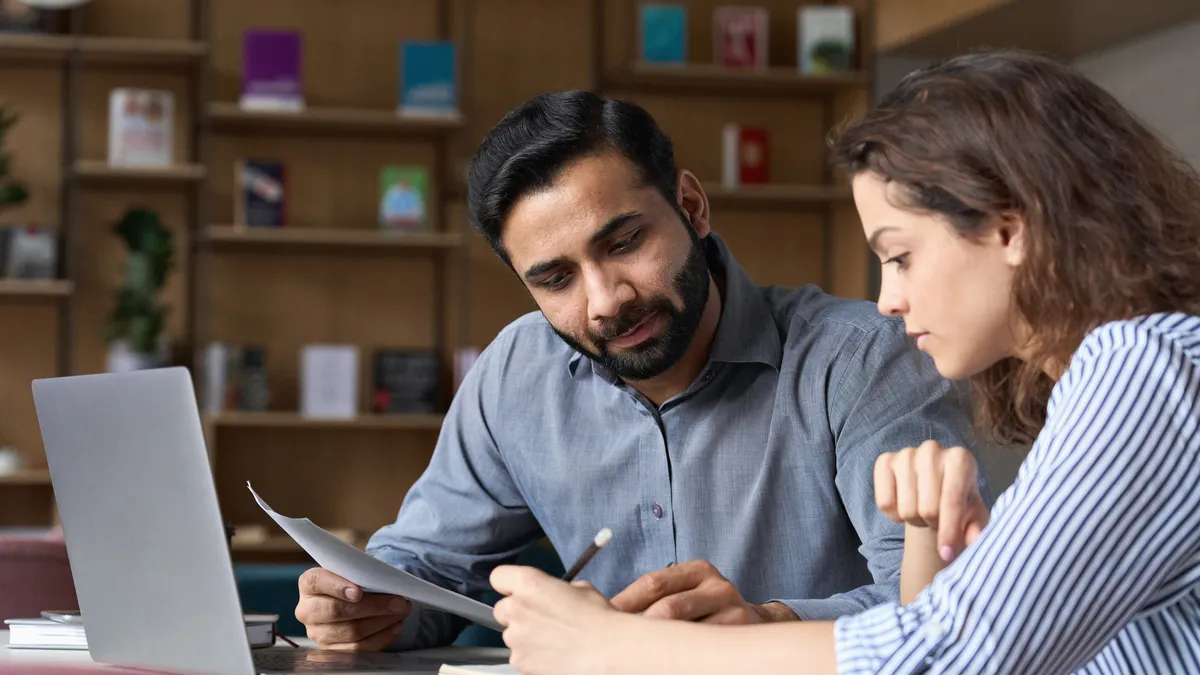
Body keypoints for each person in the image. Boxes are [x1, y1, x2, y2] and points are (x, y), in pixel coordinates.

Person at [487, 49, 1200, 674]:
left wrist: (615, 646)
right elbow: (946, 638)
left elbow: (950, 653)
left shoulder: (1144, 364)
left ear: (1009, 228)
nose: (887, 299)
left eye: (899, 255)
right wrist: (925, 534)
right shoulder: (1114, 379)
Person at [293, 90, 975, 651]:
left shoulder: (860, 357)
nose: (606, 300)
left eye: (624, 242)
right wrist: (367, 606)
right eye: (556, 278)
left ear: (692, 207)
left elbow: (947, 605)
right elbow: (428, 572)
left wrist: (768, 623)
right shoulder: (516, 374)